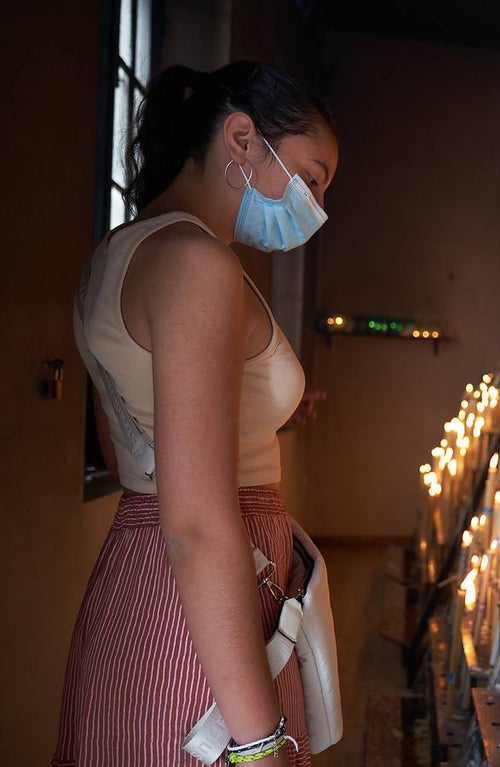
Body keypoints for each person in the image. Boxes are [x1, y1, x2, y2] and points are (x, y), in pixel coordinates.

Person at [55, 61, 338, 766]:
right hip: (208, 607)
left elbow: (131, 456)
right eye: (312, 176)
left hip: (137, 584)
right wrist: (258, 742)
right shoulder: (197, 263)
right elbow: (195, 521)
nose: (317, 204)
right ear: (241, 139)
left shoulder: (117, 257)